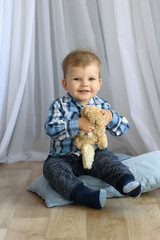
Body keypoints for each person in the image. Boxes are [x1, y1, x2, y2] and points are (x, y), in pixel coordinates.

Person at [43, 49, 141, 209]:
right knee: (51, 169)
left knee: (109, 160)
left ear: (99, 83)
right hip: (63, 157)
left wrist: (111, 117)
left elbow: (123, 128)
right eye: (77, 79)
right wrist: (77, 124)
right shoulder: (59, 105)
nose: (85, 84)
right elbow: (51, 129)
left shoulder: (102, 105)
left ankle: (126, 182)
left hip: (95, 154)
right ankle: (84, 195)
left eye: (91, 79)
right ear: (65, 83)